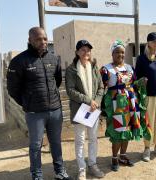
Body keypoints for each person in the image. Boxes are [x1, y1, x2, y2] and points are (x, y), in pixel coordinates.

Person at [6, 27, 69, 180]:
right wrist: (27, 103)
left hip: (55, 110)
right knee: (35, 145)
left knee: (56, 143)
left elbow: (57, 81)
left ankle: (60, 172)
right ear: (30, 40)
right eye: (38, 39)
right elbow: (13, 89)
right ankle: (37, 175)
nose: (43, 42)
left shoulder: (54, 59)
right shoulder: (19, 61)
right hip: (34, 113)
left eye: (45, 38)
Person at [100, 40, 152, 171]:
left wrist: (141, 82)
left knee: (127, 130)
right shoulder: (106, 69)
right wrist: (103, 107)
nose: (120, 54)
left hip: (130, 104)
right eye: (117, 52)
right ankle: (114, 158)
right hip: (116, 106)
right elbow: (101, 89)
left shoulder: (129, 67)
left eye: (122, 52)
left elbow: (133, 84)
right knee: (118, 132)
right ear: (112, 53)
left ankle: (123, 155)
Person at [65, 40, 105, 180]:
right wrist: (89, 101)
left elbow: (101, 87)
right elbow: (70, 90)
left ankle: (92, 165)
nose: (86, 52)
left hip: (93, 109)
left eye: (88, 50)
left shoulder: (94, 67)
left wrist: (97, 102)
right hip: (80, 109)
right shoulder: (71, 70)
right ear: (77, 52)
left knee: (93, 139)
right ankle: (82, 169)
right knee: (80, 140)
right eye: (82, 49)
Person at [135, 32, 156, 162]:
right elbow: (136, 78)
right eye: (155, 41)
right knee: (148, 123)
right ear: (149, 43)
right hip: (147, 96)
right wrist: (141, 81)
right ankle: (147, 148)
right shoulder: (141, 59)